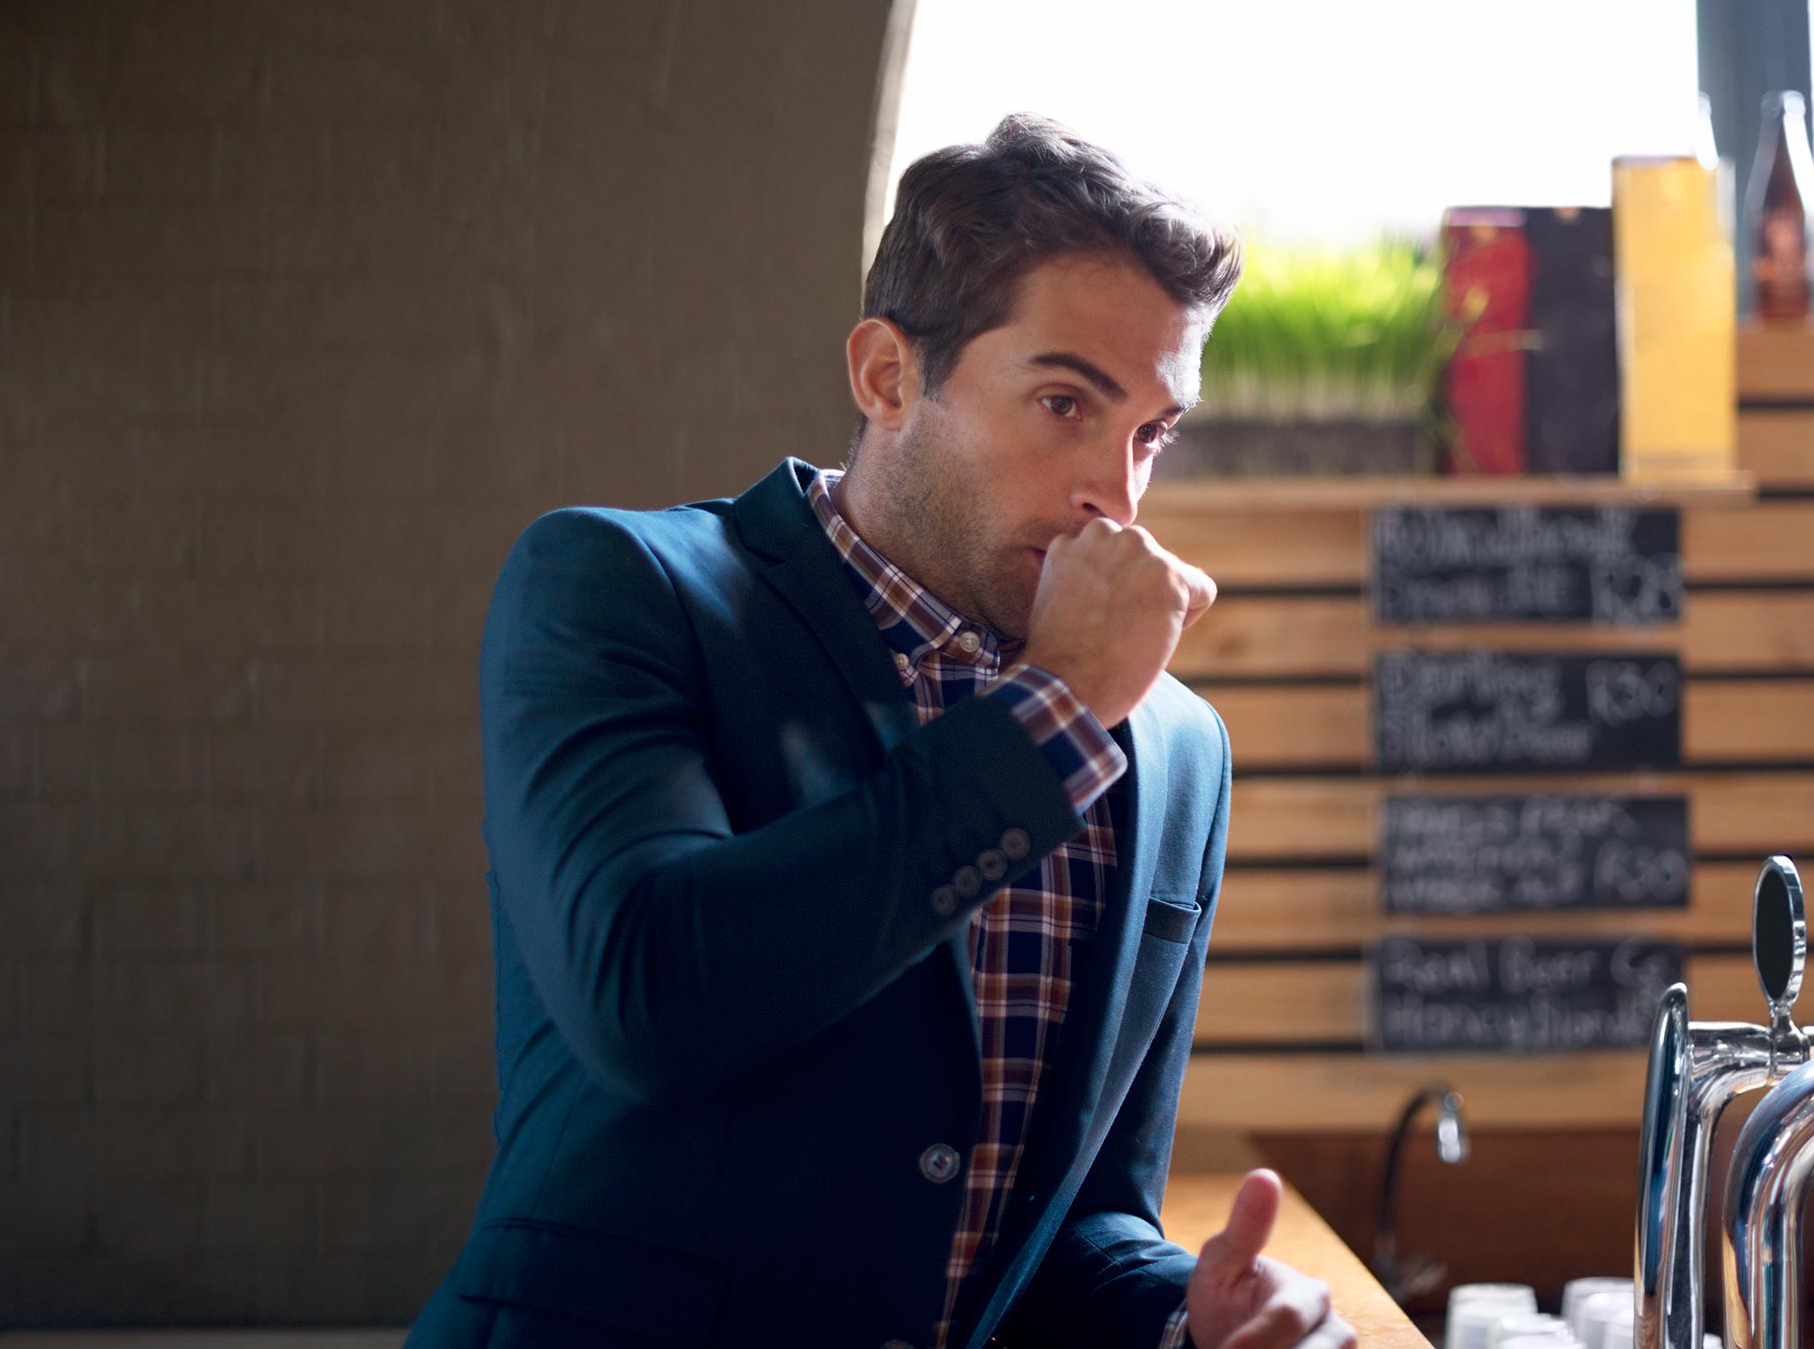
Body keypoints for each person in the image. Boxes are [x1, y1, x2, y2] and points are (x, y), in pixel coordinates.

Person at [404, 114, 1357, 1349]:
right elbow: (651, 993)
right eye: (1064, 401)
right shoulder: (618, 585)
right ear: (887, 376)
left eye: (1150, 433)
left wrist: (1193, 1322)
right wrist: (1057, 709)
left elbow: (1076, 1222)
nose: (1115, 496)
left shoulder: (1174, 750)